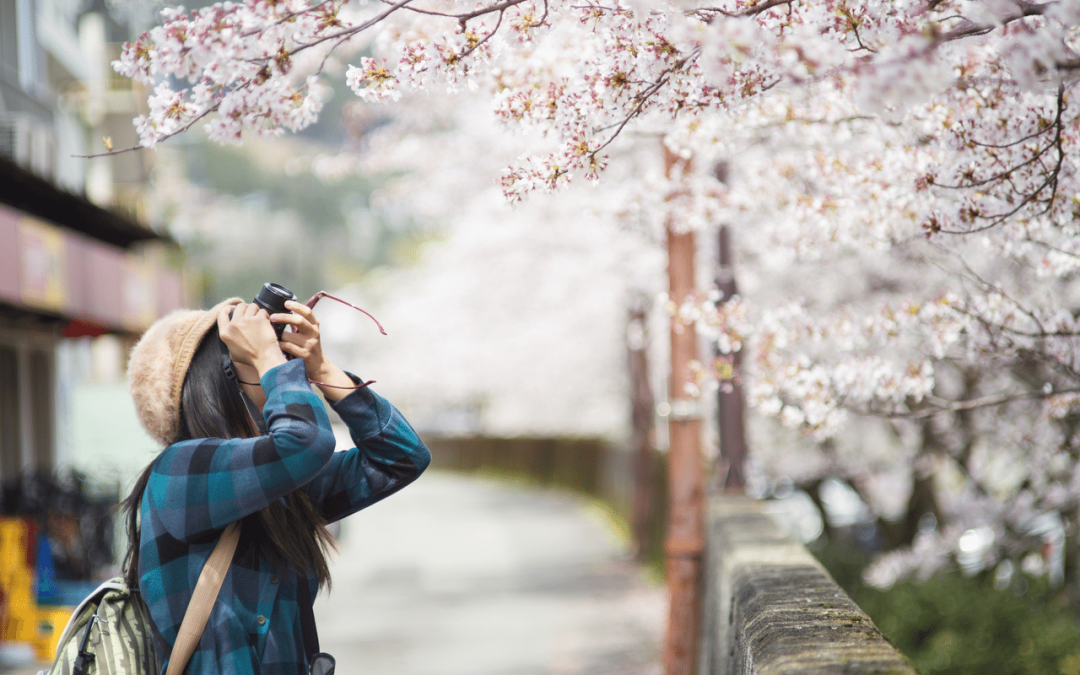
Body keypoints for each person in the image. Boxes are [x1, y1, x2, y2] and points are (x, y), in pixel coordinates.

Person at [121, 296, 430, 674]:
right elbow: (307, 442)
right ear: (214, 384)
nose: (277, 366)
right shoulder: (181, 471)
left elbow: (402, 456)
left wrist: (322, 368)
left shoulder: (277, 487)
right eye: (245, 355)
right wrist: (269, 360)